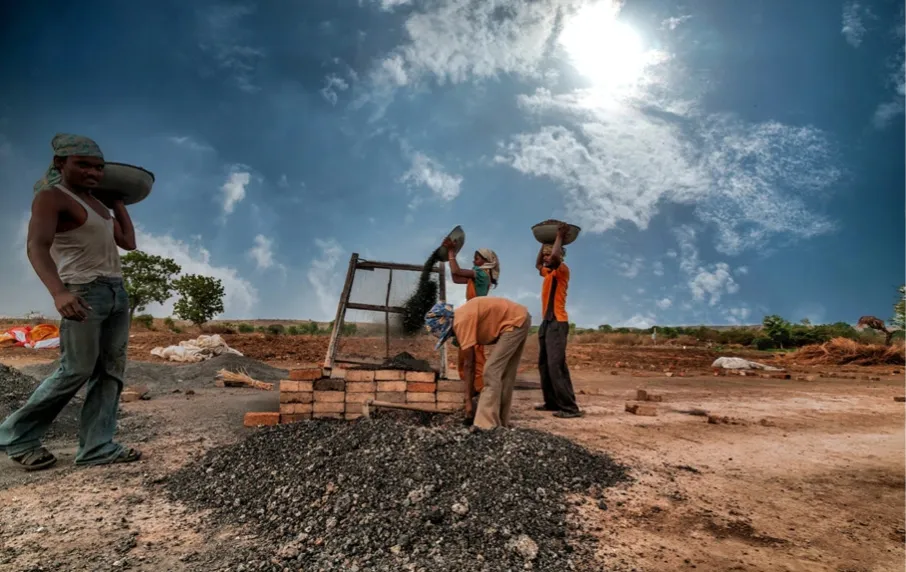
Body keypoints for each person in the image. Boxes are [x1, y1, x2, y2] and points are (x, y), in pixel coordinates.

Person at [0, 133, 141, 470]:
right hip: (84, 292)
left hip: (116, 292)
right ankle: (17, 436)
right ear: (60, 163)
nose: (92, 172)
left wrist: (117, 202)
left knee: (110, 372)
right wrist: (59, 293)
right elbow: (36, 245)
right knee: (75, 369)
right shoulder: (52, 197)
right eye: (84, 165)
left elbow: (128, 242)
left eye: (98, 168)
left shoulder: (96, 203)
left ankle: (97, 446)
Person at [425, 298, 530, 429]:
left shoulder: (460, 322)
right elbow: (470, 362)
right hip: (520, 317)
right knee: (505, 374)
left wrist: (468, 401)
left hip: (514, 322)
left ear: (446, 324)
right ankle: (501, 423)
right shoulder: (461, 316)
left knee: (491, 371)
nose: (450, 336)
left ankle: (484, 425)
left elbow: (470, 364)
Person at [440, 237, 500, 419]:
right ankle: (471, 395)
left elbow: (457, 270)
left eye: (478, 258)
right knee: (467, 357)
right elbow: (456, 276)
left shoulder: (482, 275)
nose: (474, 261)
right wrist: (452, 255)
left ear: (487, 262)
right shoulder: (477, 275)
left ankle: (480, 398)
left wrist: (451, 252)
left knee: (474, 359)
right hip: (471, 315)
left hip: (476, 316)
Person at [534, 224, 582, 418]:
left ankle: (570, 408)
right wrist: (543, 244)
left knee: (556, 365)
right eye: (545, 255)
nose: (547, 258)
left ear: (560, 256)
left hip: (558, 323)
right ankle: (551, 402)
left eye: (550, 254)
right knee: (544, 364)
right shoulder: (548, 273)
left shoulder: (562, 270)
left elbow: (554, 257)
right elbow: (538, 264)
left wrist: (559, 238)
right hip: (546, 323)